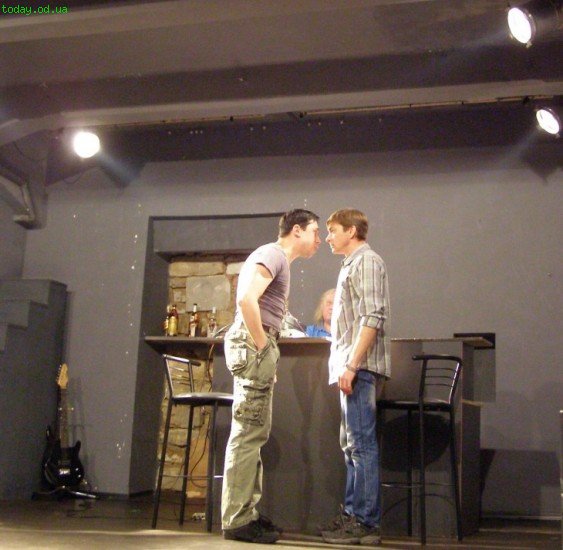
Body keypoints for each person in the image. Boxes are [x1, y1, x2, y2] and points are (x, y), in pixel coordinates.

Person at [221, 208, 321, 544]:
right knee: (248, 433)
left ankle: (246, 513)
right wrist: (264, 348)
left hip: (258, 345)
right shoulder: (273, 254)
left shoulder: (278, 260)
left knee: (255, 432)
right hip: (255, 345)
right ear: (297, 230)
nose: (319, 240)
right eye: (315, 232)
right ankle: (237, 520)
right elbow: (246, 299)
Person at [321, 208, 391, 546]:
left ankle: (365, 521)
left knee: (361, 445)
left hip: (358, 368)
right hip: (350, 367)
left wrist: (352, 365)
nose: (328, 237)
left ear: (351, 231)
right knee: (351, 446)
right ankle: (352, 516)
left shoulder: (367, 261)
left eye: (333, 230)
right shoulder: (351, 264)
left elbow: (373, 315)